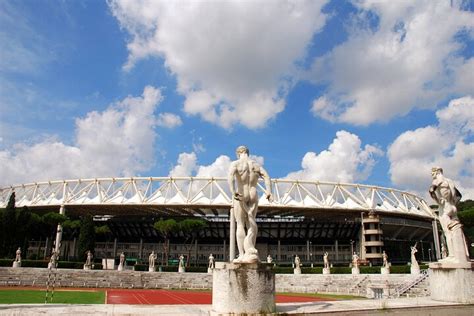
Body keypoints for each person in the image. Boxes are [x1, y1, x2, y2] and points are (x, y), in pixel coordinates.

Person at [228, 145, 272, 263]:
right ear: (247, 152)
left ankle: (242, 254)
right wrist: (269, 191)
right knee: (251, 223)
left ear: (238, 153)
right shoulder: (256, 165)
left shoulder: (236, 164)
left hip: (241, 193)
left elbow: (230, 177)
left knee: (240, 224)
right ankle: (251, 251)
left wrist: (233, 192)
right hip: (253, 194)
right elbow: (267, 176)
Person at [429, 167, 469, 264]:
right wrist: (453, 203)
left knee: (447, 233)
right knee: (456, 230)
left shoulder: (438, 180)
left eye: (433, 172)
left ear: (437, 172)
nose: (431, 174)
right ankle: (464, 255)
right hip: (452, 206)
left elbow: (431, 190)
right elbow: (459, 195)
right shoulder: (449, 181)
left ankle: (452, 255)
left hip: (444, 208)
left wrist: (438, 201)